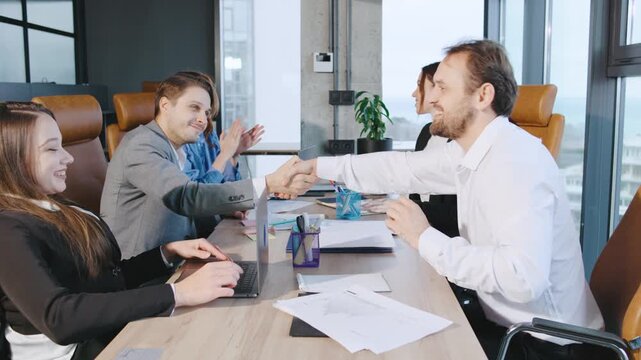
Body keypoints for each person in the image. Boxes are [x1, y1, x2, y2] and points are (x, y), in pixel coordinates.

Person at [295, 40, 610, 359]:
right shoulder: (474, 152)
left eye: (442, 88)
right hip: (510, 327)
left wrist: (423, 237)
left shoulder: (516, 163)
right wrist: (317, 168)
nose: (431, 97)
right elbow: (402, 168)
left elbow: (522, 278)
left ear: (483, 95)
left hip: (551, 346)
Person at [0, 102, 247, 360]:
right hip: (77, 351)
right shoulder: (8, 229)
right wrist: (178, 293)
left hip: (102, 336)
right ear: (11, 157)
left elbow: (105, 281)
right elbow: (59, 318)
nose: (68, 157)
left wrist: (166, 253)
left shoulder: (56, 206)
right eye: (51, 148)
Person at [100, 71, 315, 259]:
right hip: (145, 273)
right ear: (165, 105)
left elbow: (192, 206)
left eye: (206, 112)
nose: (203, 120)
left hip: (180, 257)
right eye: (194, 107)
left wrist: (225, 211)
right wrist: (268, 183)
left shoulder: (177, 148)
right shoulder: (142, 145)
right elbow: (188, 198)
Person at [408, 61, 459, 238]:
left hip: (448, 242)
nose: (414, 93)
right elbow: (413, 185)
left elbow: (459, 216)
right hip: (424, 236)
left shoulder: (461, 140)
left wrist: (412, 210)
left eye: (419, 86)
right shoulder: (426, 133)